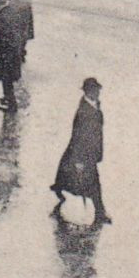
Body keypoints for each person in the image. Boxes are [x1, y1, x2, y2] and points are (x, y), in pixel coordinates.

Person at [52, 77, 111, 224]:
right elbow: (78, 137)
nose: (98, 92)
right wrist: (79, 160)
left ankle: (59, 195)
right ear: (89, 91)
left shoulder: (92, 106)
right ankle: (100, 213)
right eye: (96, 90)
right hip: (83, 154)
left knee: (72, 180)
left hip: (88, 153)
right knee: (93, 184)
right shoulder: (84, 112)